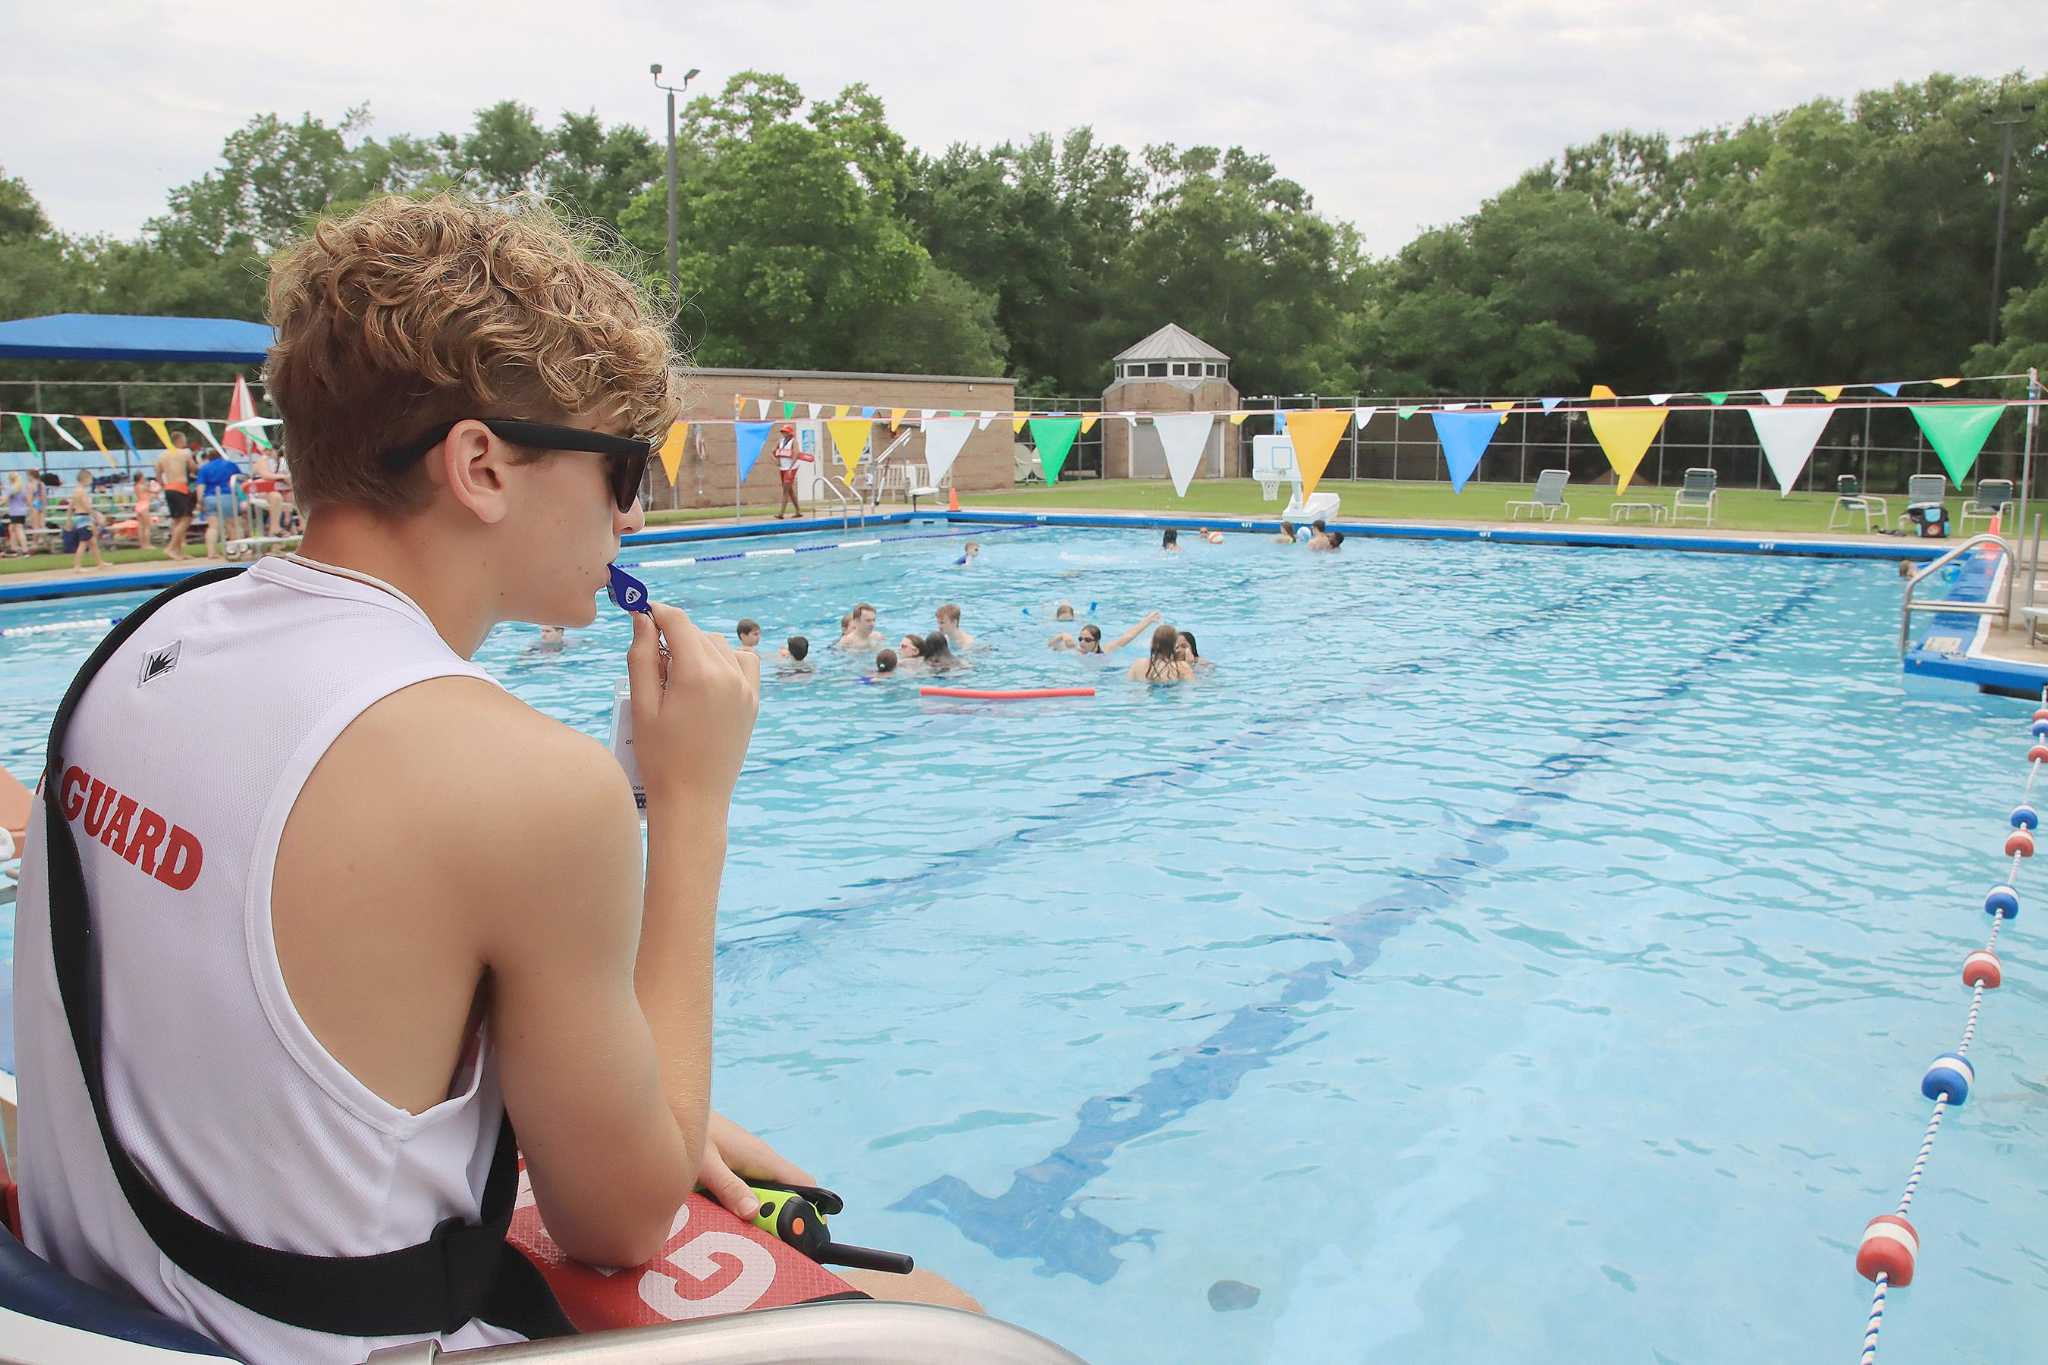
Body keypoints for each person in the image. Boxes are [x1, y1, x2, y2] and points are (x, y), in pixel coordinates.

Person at [9, 194, 972, 1365]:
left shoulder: (146, 644)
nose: (634, 508)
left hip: (90, 1298)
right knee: (952, 1325)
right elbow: (623, 1224)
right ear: (480, 466)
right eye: (621, 467)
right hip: (293, 1345)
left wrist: (599, 1085)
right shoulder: (520, 781)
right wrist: (690, 802)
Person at [156, 432, 199, 559]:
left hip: (169, 487)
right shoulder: (184, 452)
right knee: (186, 518)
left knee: (177, 521)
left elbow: (158, 474)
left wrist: (164, 485)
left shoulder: (162, 455)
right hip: (180, 487)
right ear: (179, 440)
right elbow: (193, 469)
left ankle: (178, 551)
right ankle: (171, 547)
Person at [196, 445, 244, 558]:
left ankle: (211, 552)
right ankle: (234, 551)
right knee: (232, 525)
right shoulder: (230, 465)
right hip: (227, 496)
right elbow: (239, 481)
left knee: (213, 526)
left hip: (210, 497)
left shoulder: (204, 468)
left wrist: (199, 501)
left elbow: (201, 486)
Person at [1051, 608, 1159, 654]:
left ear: (1097, 641)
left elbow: (1129, 636)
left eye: (1087, 640)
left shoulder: (1107, 650)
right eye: (1080, 639)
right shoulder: (1075, 650)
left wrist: (1148, 620)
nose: (1082, 642)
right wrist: (1062, 635)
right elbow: (1052, 645)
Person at [63, 469, 106, 573]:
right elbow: (87, 506)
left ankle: (100, 563)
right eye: (90, 479)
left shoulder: (76, 490)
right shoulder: (81, 491)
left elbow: (71, 506)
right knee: (83, 543)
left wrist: (68, 520)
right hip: (84, 518)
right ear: (85, 479)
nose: (91, 481)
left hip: (80, 517)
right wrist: (95, 517)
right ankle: (77, 566)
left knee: (93, 542)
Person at [1128, 623, 1194, 683]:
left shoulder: (1138, 664)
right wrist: (1189, 664)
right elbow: (1191, 685)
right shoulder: (1182, 667)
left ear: (1152, 643)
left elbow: (1129, 685)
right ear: (1173, 646)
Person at [772, 423, 811, 520]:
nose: (783, 433)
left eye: (785, 432)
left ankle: (781, 513)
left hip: (791, 468)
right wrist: (776, 461)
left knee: (785, 490)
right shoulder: (780, 441)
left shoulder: (794, 442)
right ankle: (798, 511)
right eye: (783, 432)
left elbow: (796, 454)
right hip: (783, 468)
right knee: (790, 491)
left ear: (790, 433)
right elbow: (772, 451)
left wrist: (790, 468)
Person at [4, 472, 29, 555]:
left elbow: (5, 499)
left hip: (15, 512)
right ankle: (13, 548)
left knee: (19, 529)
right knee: (11, 528)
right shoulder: (21, 488)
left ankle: (25, 550)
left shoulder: (12, 488)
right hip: (21, 511)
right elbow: (26, 499)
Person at [131, 474, 156, 552]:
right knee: (147, 527)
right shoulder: (143, 486)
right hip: (144, 506)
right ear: (140, 478)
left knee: (141, 527)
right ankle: (147, 544)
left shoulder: (136, 486)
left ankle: (142, 545)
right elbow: (154, 491)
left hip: (138, 505)